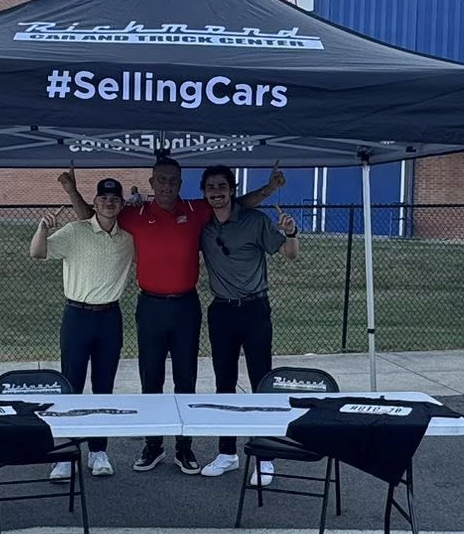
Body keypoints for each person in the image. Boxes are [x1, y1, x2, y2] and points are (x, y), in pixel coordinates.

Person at [60, 152, 283, 474]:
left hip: (185, 307)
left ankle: (184, 446)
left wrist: (268, 189)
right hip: (150, 306)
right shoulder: (134, 213)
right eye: (161, 180)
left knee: (185, 379)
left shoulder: (195, 209)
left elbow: (237, 203)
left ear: (181, 184)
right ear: (151, 182)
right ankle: (153, 445)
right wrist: (71, 191)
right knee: (151, 379)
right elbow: (91, 218)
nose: (167, 185)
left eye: (173, 180)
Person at [194, 167, 299, 485]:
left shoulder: (255, 221)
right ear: (203, 191)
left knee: (260, 383)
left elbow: (289, 254)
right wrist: (267, 188)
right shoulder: (202, 224)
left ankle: (265, 457)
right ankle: (227, 453)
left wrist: (291, 233)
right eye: (210, 187)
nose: (216, 192)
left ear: (232, 189)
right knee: (224, 383)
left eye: (222, 186)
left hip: (254, 309)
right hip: (221, 312)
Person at [29, 178, 135, 480]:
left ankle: (99, 451)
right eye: (103, 198)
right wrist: (42, 228)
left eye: (115, 199)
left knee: (104, 387)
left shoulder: (128, 238)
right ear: (96, 202)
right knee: (71, 386)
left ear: (122, 204)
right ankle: (66, 454)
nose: (109, 203)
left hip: (110, 318)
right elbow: (37, 253)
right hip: (77, 315)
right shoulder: (75, 232)